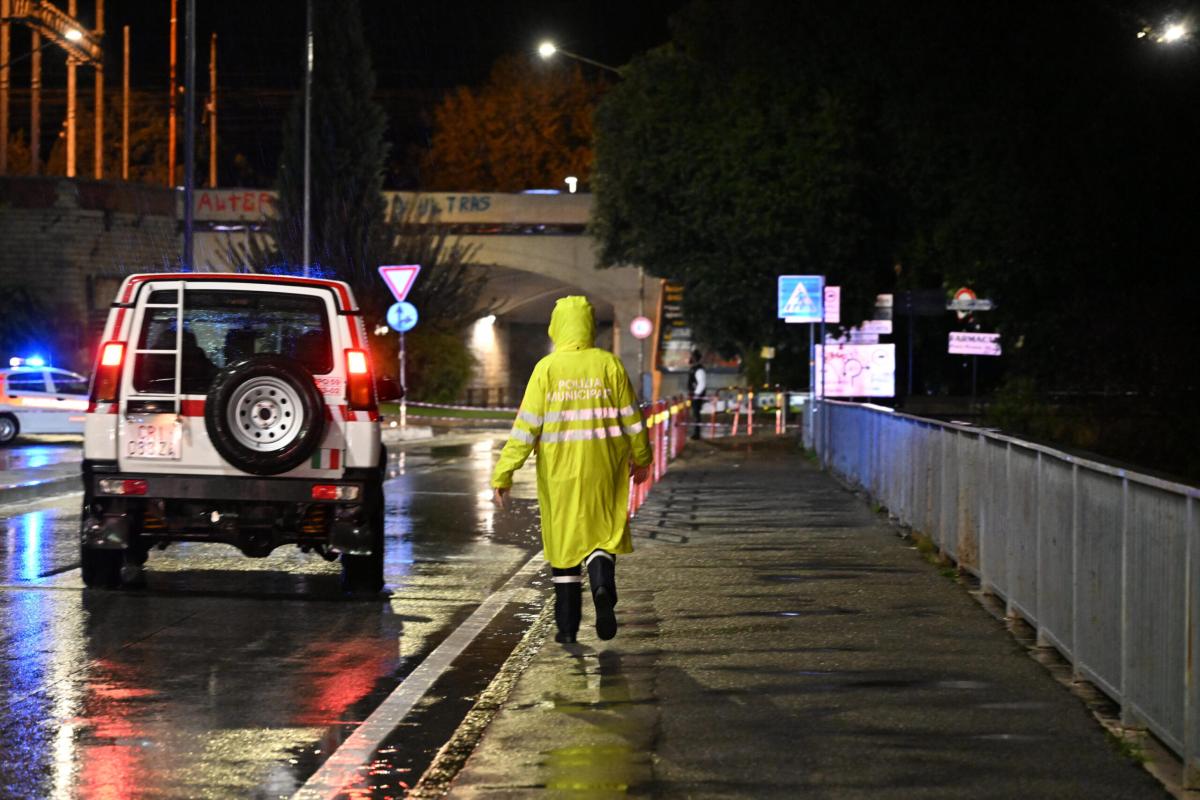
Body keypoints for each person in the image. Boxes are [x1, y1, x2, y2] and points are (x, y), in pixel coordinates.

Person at [491, 296, 653, 644]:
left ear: (557, 327)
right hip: (605, 469)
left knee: (565, 545)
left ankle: (567, 629)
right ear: (589, 326)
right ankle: (602, 586)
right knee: (602, 534)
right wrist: (642, 458)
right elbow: (633, 420)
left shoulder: (547, 369)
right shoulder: (609, 365)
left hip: (560, 474)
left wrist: (503, 474)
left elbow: (525, 430)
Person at [688, 349, 706, 440]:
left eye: (692, 356)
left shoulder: (699, 369)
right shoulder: (694, 369)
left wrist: (696, 394)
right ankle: (695, 432)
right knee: (695, 414)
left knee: (696, 414)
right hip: (694, 395)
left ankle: (697, 434)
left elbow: (701, 383)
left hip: (697, 396)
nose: (690, 358)